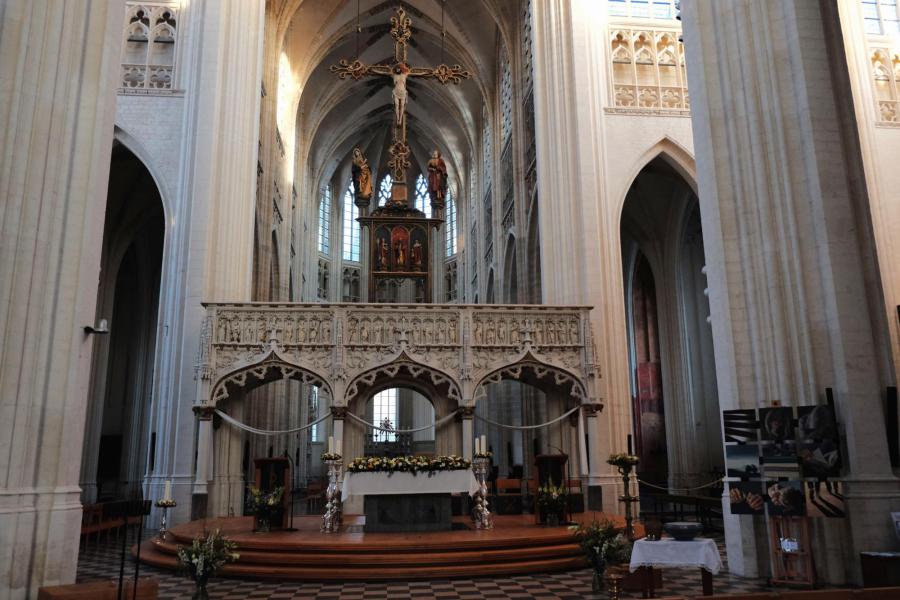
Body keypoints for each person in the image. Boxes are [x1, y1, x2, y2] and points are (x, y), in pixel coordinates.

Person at [391, 63, 410, 129]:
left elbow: (413, 72)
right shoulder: (394, 76)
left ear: (401, 69)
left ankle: (400, 119)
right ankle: (398, 118)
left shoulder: (404, 75)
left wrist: (432, 72)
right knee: (396, 105)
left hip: (403, 93)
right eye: (397, 68)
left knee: (402, 105)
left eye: (399, 68)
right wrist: (369, 69)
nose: (398, 69)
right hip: (396, 92)